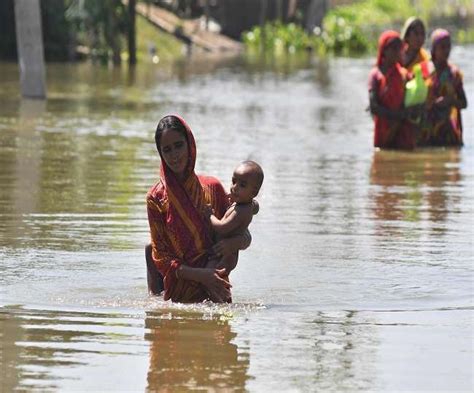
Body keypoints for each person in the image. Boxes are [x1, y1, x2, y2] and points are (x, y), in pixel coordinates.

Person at [145, 114, 252, 303]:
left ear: (190, 145)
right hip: (179, 295)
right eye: (167, 150)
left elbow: (244, 234)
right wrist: (201, 275)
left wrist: (234, 244)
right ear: (161, 154)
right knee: (149, 248)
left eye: (179, 145)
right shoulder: (156, 198)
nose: (175, 155)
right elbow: (160, 257)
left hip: (216, 289)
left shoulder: (212, 188)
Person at [206, 160, 264, 274]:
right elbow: (255, 206)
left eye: (242, 185)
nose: (235, 187)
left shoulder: (241, 211)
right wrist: (234, 199)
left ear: (254, 192)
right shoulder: (245, 203)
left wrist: (210, 215)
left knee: (210, 276)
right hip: (223, 250)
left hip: (225, 255)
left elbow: (222, 228)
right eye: (234, 181)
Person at [368, 30, 418, 150]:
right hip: (384, 130)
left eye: (399, 48)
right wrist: (396, 115)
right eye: (393, 48)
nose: (397, 52)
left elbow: (412, 99)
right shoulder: (376, 75)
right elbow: (373, 106)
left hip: (403, 131)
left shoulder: (404, 75)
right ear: (384, 50)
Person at [421, 29, 467, 147]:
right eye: (442, 47)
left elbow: (464, 103)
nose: (446, 51)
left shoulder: (454, 74)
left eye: (448, 47)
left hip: (448, 132)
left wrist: (450, 101)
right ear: (434, 48)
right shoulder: (422, 70)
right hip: (425, 131)